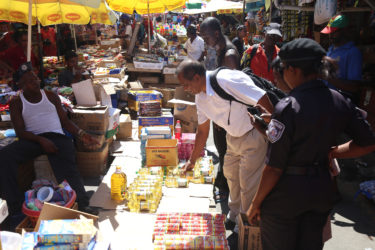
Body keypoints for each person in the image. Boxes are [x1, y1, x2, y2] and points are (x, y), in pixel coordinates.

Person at [246, 38, 375, 250]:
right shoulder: (338, 100)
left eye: (283, 69)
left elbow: (274, 168)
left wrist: (255, 203)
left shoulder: (288, 107)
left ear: (294, 70)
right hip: (321, 191)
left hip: (285, 196)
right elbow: (368, 143)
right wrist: (333, 152)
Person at [178, 60, 274, 233]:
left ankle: (244, 224)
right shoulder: (200, 97)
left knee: (248, 182)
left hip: (252, 134)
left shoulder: (226, 80)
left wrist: (274, 127)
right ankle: (234, 213)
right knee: (231, 176)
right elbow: (202, 130)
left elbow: (261, 97)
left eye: (186, 84)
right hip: (233, 136)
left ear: (198, 77)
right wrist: (192, 160)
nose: (185, 89)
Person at [0, 62, 100, 218]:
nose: (35, 82)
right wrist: (40, 141)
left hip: (56, 136)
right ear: (21, 85)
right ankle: (14, 206)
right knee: (5, 155)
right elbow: (20, 131)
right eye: (29, 81)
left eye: (35, 79)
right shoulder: (16, 102)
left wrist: (82, 134)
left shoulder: (51, 97)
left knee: (66, 159)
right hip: (32, 139)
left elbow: (65, 122)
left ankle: (82, 203)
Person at [200, 17, 240, 200]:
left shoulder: (229, 55)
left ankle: (224, 188)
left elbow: (234, 91)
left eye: (206, 37)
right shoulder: (220, 50)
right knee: (223, 151)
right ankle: (223, 184)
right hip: (223, 114)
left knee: (226, 152)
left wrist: (222, 118)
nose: (205, 41)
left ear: (216, 34)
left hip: (227, 115)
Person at [321, 14, 362, 103]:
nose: (330, 35)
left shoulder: (352, 53)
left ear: (345, 30)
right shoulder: (331, 49)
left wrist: (327, 78)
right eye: (330, 33)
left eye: (334, 32)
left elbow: (354, 87)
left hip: (340, 104)